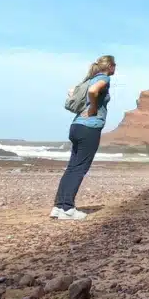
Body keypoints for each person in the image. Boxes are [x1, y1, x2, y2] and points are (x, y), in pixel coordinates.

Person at [50, 55, 116, 220]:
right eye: (115, 65)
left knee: (72, 167)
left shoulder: (87, 80)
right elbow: (94, 91)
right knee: (79, 169)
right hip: (89, 128)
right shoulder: (103, 79)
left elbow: (71, 91)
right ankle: (68, 209)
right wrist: (93, 107)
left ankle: (58, 207)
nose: (115, 68)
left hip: (76, 126)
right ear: (110, 66)